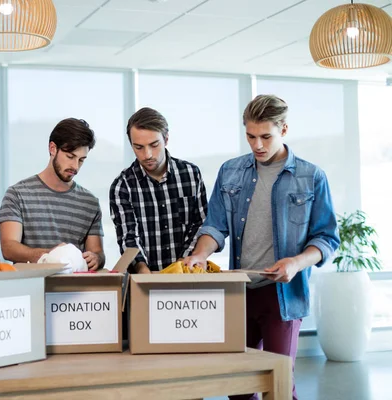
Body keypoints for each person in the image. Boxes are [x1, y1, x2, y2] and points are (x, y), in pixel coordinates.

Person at [185, 95, 340, 400]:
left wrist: (296, 262)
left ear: (284, 129)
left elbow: (326, 238)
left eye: (265, 136)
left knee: (279, 384)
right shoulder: (230, 171)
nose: (257, 145)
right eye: (250, 136)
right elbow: (215, 225)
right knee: (238, 388)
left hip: (283, 297)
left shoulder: (311, 177)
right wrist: (200, 254)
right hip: (239, 293)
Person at [109, 107, 208, 273]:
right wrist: (144, 273)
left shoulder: (190, 174)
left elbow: (201, 223)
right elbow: (128, 238)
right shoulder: (122, 186)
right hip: (144, 278)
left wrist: (182, 265)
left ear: (166, 139)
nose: (147, 155)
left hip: (188, 274)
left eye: (154, 145)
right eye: (138, 147)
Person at [0, 118, 105, 270]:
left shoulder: (90, 202)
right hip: (30, 288)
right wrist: (53, 256)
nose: (75, 166)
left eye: (81, 160)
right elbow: (8, 248)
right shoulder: (17, 194)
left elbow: (97, 252)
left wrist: (96, 258)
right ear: (53, 148)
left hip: (76, 290)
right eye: (70, 157)